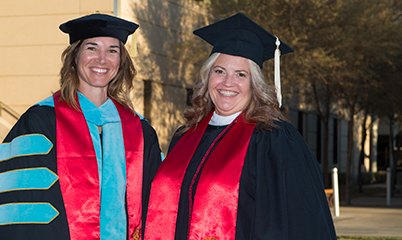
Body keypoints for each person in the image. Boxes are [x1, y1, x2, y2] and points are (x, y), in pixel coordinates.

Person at [144, 13, 337, 240]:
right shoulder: (185, 136)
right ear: (207, 78)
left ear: (254, 84)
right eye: (219, 71)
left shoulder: (272, 140)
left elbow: (292, 223)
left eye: (240, 74)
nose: (227, 83)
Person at [0, 13, 162, 240]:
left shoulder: (140, 131)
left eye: (112, 50)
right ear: (74, 57)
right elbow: (24, 213)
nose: (102, 59)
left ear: (121, 61)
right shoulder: (41, 122)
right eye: (92, 48)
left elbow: (155, 207)